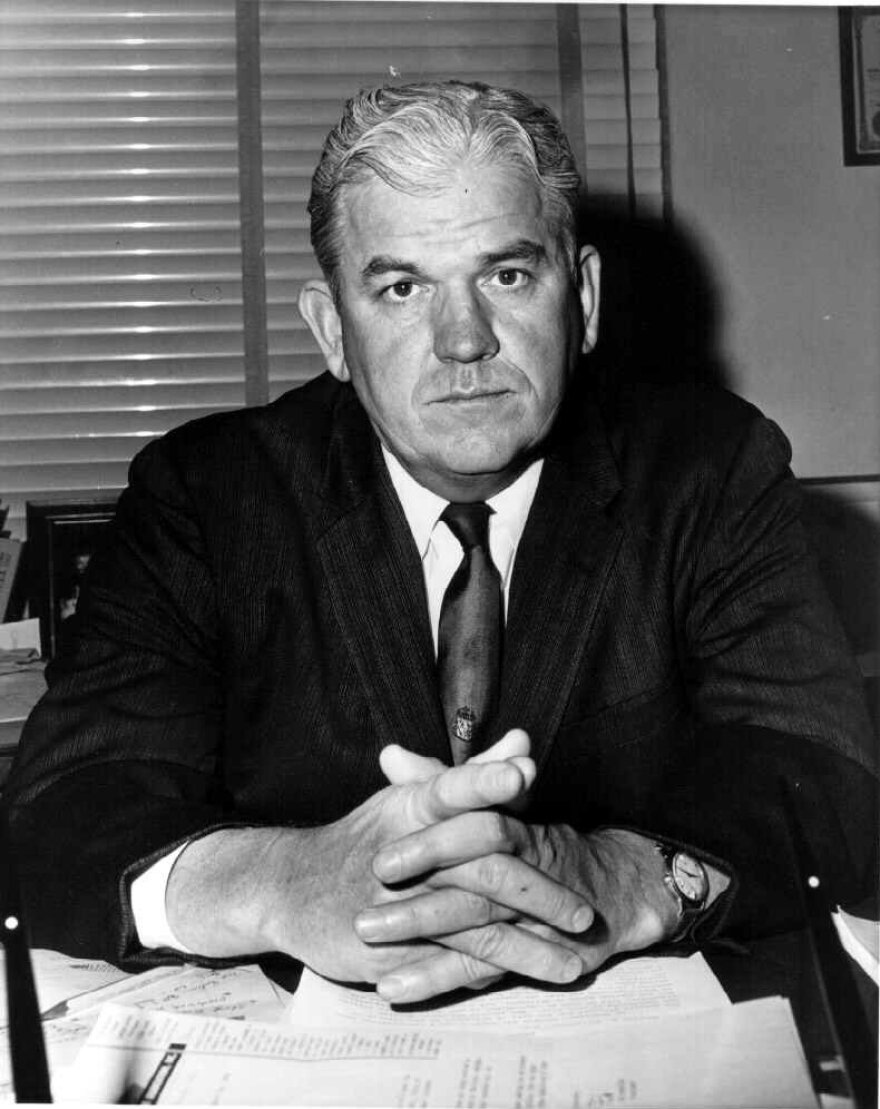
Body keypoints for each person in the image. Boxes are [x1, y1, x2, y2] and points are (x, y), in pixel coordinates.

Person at [5, 81, 876, 1007]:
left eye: (507, 276)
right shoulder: (207, 498)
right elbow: (65, 813)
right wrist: (282, 882)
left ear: (579, 299)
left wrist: (619, 879)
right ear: (333, 329)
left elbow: (825, 783)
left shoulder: (711, 471)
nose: (464, 341)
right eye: (401, 287)